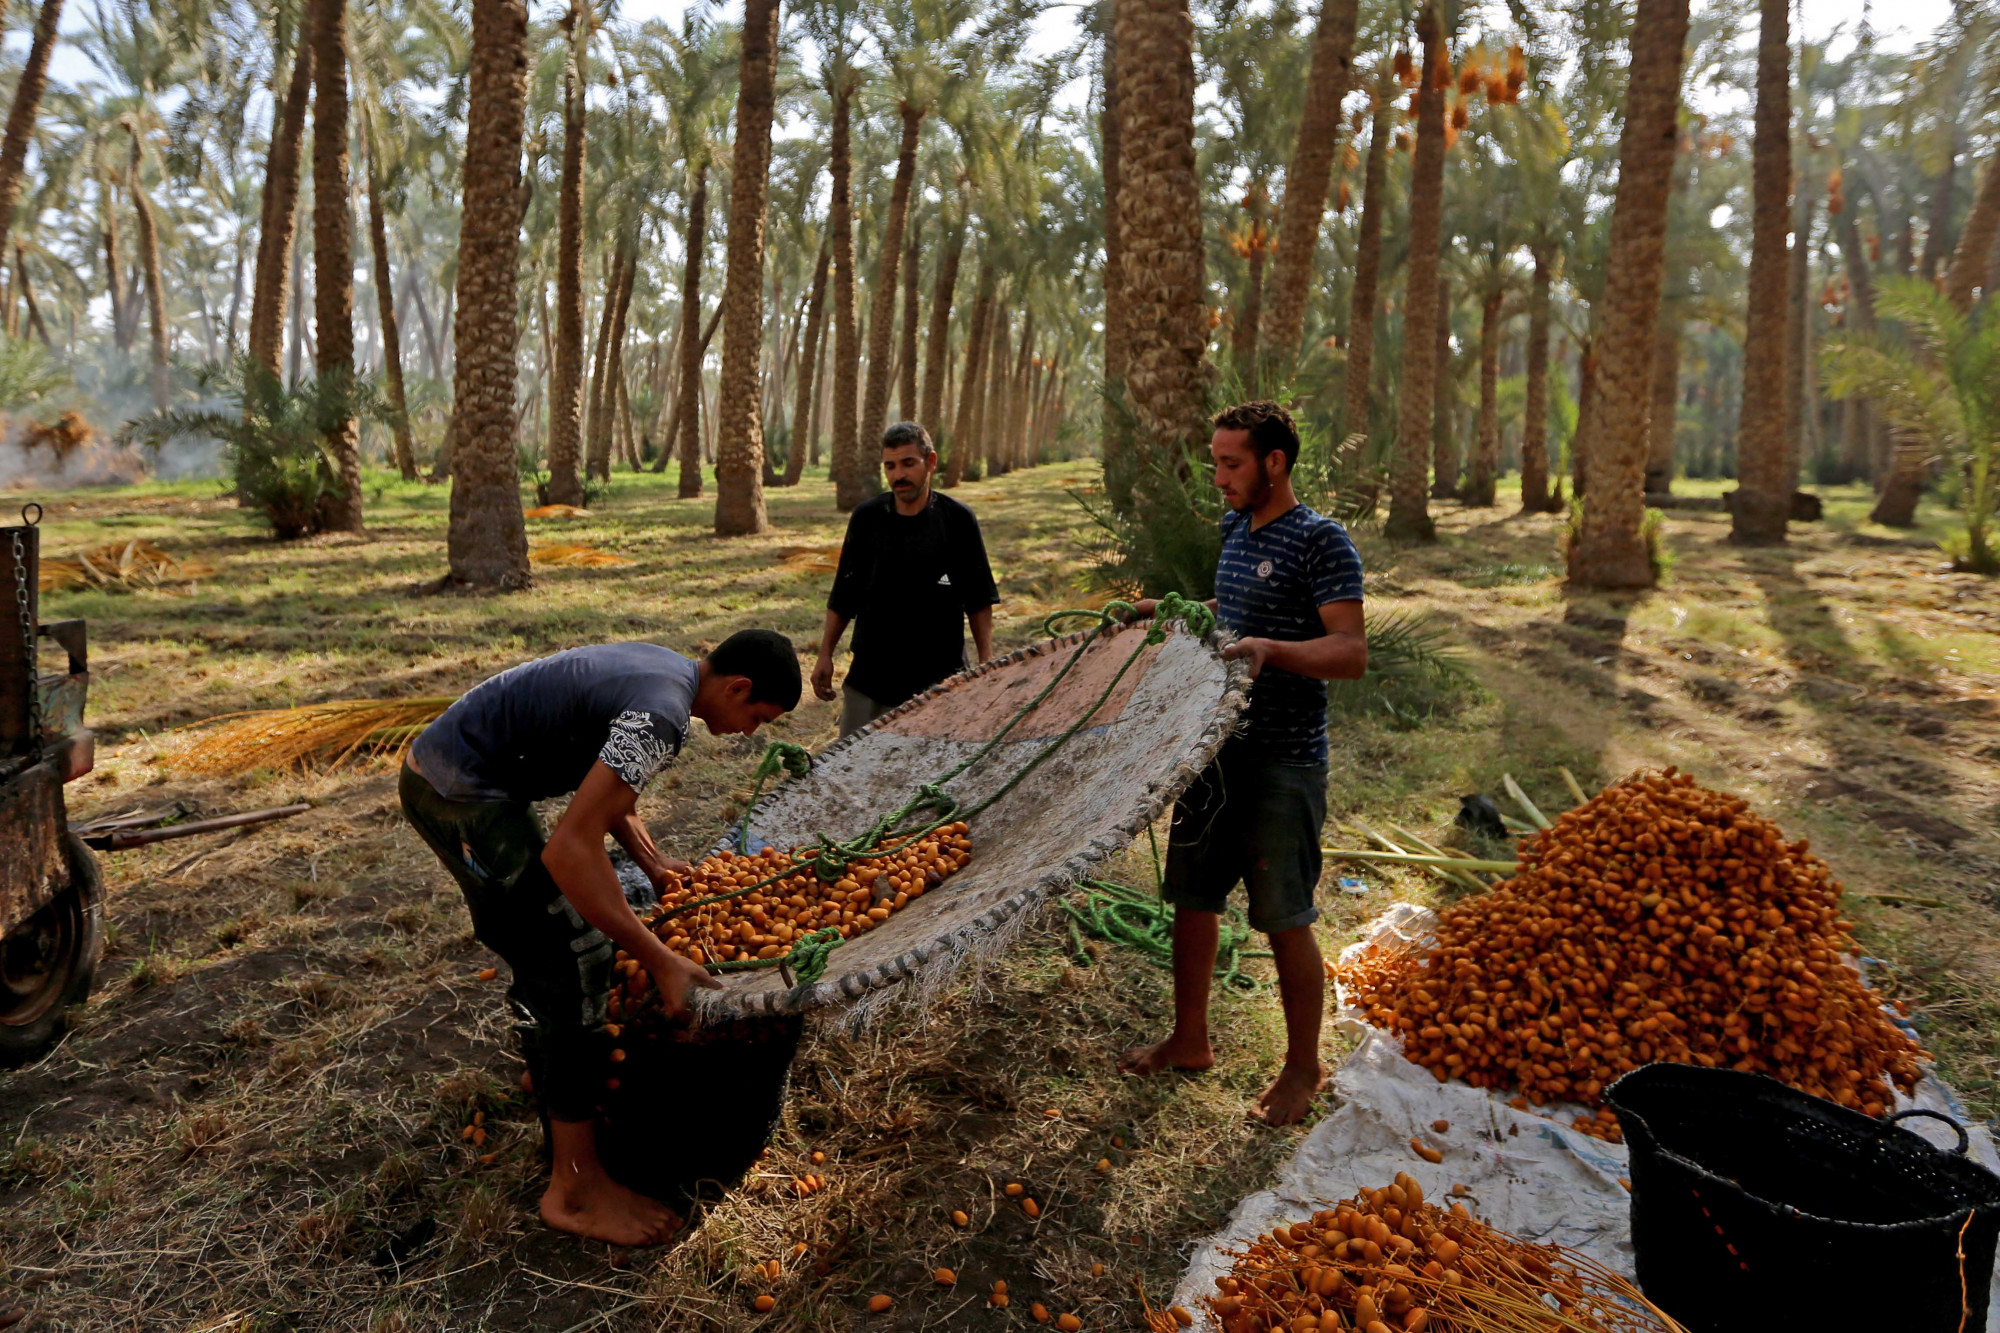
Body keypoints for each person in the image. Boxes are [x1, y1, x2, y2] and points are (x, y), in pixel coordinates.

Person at [399, 630, 802, 1245]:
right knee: (572, 957)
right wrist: (660, 959)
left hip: (465, 772)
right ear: (738, 687)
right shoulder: (662, 716)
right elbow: (570, 849)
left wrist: (654, 863)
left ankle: (553, 1075)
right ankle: (575, 1190)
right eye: (758, 718)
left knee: (549, 937)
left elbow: (606, 795)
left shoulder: (666, 675)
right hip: (458, 791)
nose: (750, 733)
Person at [1119, 401, 1366, 1127]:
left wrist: (1271, 650)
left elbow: (1350, 650)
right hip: (1215, 750)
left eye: (1231, 464)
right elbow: (1229, 606)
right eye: (1216, 463)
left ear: (1274, 463)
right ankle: (1190, 1039)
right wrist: (1168, 613)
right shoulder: (1236, 528)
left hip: (1282, 761)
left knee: (1284, 916)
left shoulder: (1321, 541)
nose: (1219, 478)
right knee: (1193, 898)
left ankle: (1303, 1067)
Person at [813, 421, 999, 735]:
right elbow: (844, 594)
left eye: (908, 463)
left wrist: (986, 664)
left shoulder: (957, 520)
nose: (898, 475)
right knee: (858, 761)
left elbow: (979, 600)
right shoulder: (867, 518)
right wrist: (825, 655)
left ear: (931, 462)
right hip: (871, 680)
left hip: (940, 684)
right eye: (890, 466)